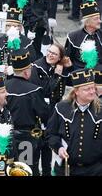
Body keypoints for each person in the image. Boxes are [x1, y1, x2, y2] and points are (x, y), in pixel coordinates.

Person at [46, 68, 102, 176]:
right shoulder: (61, 108)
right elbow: (51, 134)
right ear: (76, 91)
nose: (92, 92)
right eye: (87, 89)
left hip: (95, 170)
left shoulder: (100, 110)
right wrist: (59, 148)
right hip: (66, 169)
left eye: (93, 88)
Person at [30, 43, 72, 176]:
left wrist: (69, 67)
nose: (50, 55)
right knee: (36, 148)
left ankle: (47, 172)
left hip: (54, 111)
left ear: (60, 57)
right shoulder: (37, 66)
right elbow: (45, 90)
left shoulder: (60, 67)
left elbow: (71, 81)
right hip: (39, 110)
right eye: (49, 51)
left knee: (49, 145)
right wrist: (56, 74)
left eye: (54, 54)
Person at [5, 49, 49, 176]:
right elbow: (44, 114)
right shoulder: (34, 90)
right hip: (26, 140)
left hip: (6, 137)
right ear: (25, 72)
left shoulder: (3, 86)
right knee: (26, 170)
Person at [65, 1, 102, 70]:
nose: (100, 21)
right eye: (96, 19)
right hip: (80, 75)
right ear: (87, 23)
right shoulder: (73, 37)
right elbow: (67, 59)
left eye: (99, 18)